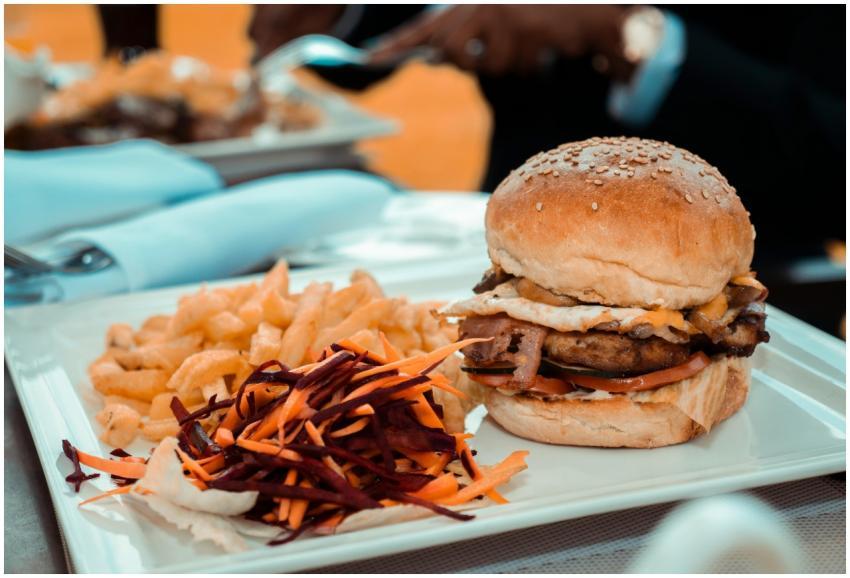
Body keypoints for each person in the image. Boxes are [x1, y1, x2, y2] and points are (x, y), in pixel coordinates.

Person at [250, 4, 845, 259]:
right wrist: (334, 15)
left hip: (760, 274)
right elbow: (395, 31)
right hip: (498, 243)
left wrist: (627, 34)